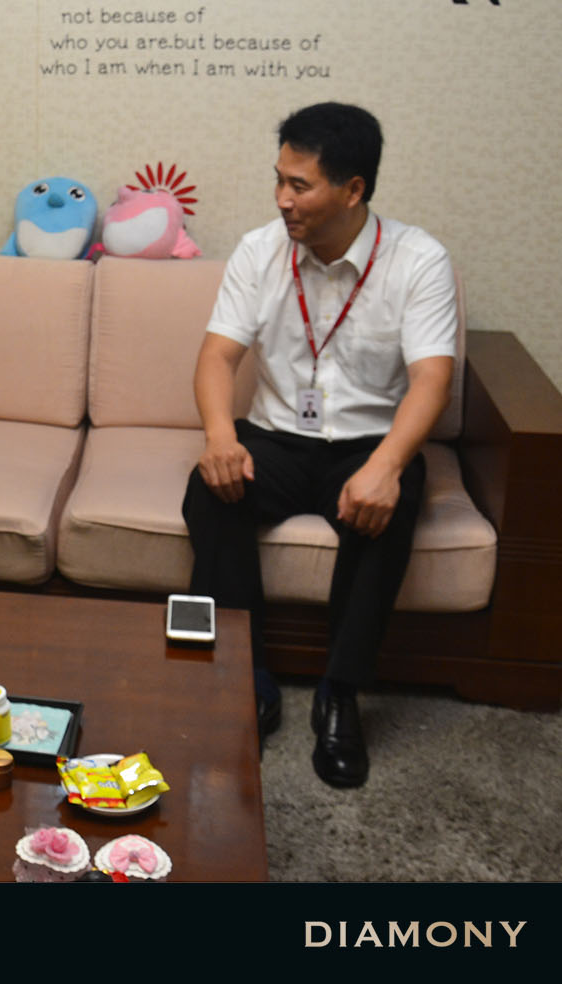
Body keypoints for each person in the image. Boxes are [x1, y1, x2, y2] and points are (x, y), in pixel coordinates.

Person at [181, 103, 457, 789]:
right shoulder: (259, 250)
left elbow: (432, 379)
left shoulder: (418, 260)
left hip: (366, 443)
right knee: (209, 490)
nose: (282, 199)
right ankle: (247, 677)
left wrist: (386, 467)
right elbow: (217, 357)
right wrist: (220, 437)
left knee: (393, 500)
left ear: (353, 189)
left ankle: (340, 692)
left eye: (299, 185)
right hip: (276, 437)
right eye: (279, 179)